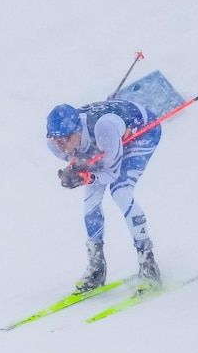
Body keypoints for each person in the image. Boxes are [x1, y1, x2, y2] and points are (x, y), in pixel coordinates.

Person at [45, 100, 162, 294]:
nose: (60, 145)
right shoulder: (54, 145)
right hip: (109, 142)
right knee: (90, 200)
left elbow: (111, 174)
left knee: (120, 191)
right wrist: (74, 171)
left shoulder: (103, 129)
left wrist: (87, 176)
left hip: (142, 132)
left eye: (65, 139)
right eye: (54, 139)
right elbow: (80, 159)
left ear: (78, 132)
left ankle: (148, 264)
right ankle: (97, 266)